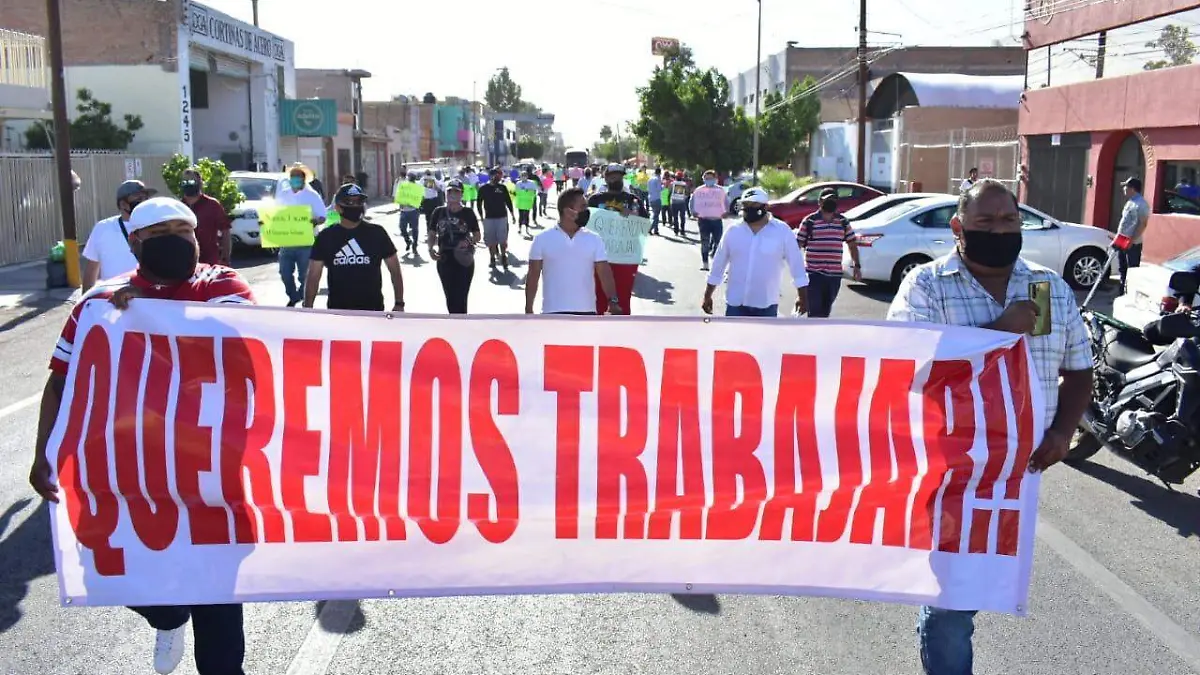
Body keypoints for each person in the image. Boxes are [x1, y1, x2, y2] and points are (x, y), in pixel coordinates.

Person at [30, 196, 254, 675]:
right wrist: (42, 453)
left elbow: (247, 338)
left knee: (216, 602)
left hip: (210, 474)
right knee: (109, 570)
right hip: (129, 474)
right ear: (134, 243)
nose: (176, 241)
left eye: (184, 231)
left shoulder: (221, 285)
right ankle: (168, 615)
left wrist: (145, 312)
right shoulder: (97, 304)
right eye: (160, 234)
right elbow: (60, 382)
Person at [886, 179, 1092, 675]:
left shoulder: (1047, 287)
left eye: (1009, 221)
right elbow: (906, 367)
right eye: (985, 223)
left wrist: (1063, 433)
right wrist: (1001, 331)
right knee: (952, 596)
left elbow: (1079, 369)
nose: (999, 230)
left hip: (1019, 473)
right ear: (958, 228)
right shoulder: (927, 285)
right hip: (949, 467)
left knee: (983, 581)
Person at [702, 186, 808, 317]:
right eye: (746, 205)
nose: (749, 209)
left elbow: (797, 265)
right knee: (734, 338)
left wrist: (802, 296)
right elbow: (718, 264)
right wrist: (708, 295)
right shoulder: (733, 231)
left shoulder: (782, 231)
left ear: (765, 207)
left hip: (766, 304)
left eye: (754, 205)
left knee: (764, 338)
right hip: (736, 304)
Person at [305, 183, 404, 312]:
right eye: (350, 203)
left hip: (373, 311)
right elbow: (313, 276)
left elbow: (395, 270)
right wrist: (307, 309)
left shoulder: (377, 233)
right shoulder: (326, 237)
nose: (356, 206)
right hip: (338, 313)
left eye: (359, 202)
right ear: (338, 208)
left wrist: (399, 303)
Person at [526, 188, 622, 316]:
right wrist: (528, 309)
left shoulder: (594, 239)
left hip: (587, 313)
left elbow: (604, 273)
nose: (587, 211)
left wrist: (613, 301)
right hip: (552, 313)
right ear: (568, 212)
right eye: (582, 207)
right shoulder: (542, 239)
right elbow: (533, 275)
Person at [588, 164, 648, 315]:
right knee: (598, 298)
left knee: (623, 298)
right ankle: (598, 333)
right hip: (599, 258)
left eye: (619, 175)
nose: (616, 178)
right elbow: (584, 225)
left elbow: (644, 226)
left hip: (625, 258)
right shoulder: (594, 200)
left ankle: (622, 333)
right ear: (606, 178)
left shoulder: (633, 200)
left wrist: (629, 215)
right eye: (612, 175)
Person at [796, 188, 862, 317]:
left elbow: (852, 244)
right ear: (819, 202)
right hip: (814, 274)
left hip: (834, 276)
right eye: (827, 200)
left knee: (825, 311)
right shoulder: (810, 221)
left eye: (833, 200)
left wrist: (857, 266)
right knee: (815, 312)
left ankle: (821, 335)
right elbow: (796, 245)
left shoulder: (843, 221)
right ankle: (813, 335)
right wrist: (796, 272)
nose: (830, 202)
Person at [81, 180, 155, 291]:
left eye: (145, 198)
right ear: (123, 204)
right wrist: (86, 302)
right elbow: (92, 269)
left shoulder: (156, 225)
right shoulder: (102, 228)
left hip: (147, 297)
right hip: (112, 299)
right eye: (138, 199)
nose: (143, 202)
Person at [273, 163, 327, 307]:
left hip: (306, 242)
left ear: (304, 178)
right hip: (286, 241)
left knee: (305, 275)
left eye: (298, 176)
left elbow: (323, 216)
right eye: (293, 176)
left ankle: (305, 300)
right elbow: (274, 215)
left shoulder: (312, 196)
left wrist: (315, 221)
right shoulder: (283, 194)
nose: (295, 179)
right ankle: (293, 295)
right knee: (284, 273)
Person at [428, 179, 481, 314]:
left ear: (461, 194)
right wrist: (431, 248)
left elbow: (477, 235)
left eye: (456, 192)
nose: (452, 194)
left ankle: (461, 324)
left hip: (463, 259)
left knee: (461, 296)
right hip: (444, 258)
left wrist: (468, 241)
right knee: (450, 296)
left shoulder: (468, 213)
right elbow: (432, 233)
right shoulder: (438, 212)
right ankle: (454, 322)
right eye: (449, 191)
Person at [178, 168, 231, 265]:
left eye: (191, 181)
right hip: (184, 262)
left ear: (200, 183)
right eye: (184, 182)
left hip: (210, 261)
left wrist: (225, 257)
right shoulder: (178, 207)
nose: (188, 184)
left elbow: (225, 231)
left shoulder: (212, 205)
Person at [477, 167, 517, 271]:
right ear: (491, 176)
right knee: (491, 241)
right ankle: (492, 258)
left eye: (499, 175)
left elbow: (508, 201)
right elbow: (479, 203)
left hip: (502, 217)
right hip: (489, 218)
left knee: (502, 240)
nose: (498, 177)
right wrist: (481, 216)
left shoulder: (502, 188)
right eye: (496, 175)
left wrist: (512, 214)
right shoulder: (483, 188)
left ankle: (503, 256)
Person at [1116, 176, 1151, 295]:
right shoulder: (1130, 202)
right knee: (1122, 268)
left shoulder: (1141, 204)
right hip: (1122, 240)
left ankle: (1130, 294)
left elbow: (1143, 224)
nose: (1124, 189)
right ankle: (1121, 292)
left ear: (1132, 188)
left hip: (1132, 243)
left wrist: (1132, 240)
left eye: (1126, 186)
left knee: (1132, 271)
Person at [690, 170, 728, 270]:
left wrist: (726, 212)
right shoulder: (699, 191)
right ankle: (705, 263)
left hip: (717, 220)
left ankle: (716, 262)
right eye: (706, 178)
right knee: (705, 242)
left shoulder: (720, 191)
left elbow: (726, 202)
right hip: (703, 220)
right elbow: (692, 201)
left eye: (711, 178)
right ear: (703, 179)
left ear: (715, 179)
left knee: (718, 242)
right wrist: (693, 211)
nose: (708, 180)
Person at [394, 172, 423, 254]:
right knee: (402, 228)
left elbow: (420, 198)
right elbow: (398, 196)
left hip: (413, 211)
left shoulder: (417, 187)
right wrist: (400, 204)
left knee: (415, 229)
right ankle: (408, 241)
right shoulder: (403, 186)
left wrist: (414, 203)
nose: (410, 179)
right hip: (404, 211)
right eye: (409, 177)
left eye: (411, 177)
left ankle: (415, 246)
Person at [516, 170, 540, 235]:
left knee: (526, 215)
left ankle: (526, 228)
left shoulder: (531, 183)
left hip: (527, 202)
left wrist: (528, 191)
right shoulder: (518, 183)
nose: (523, 178)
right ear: (520, 177)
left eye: (525, 176)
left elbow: (534, 192)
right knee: (520, 216)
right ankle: (520, 228)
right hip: (520, 202)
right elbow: (517, 192)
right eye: (522, 176)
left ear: (527, 176)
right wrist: (525, 191)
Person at [646, 168, 663, 236]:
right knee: (656, 215)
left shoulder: (650, 179)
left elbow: (648, 188)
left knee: (655, 214)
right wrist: (663, 186)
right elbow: (659, 189)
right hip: (657, 198)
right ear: (659, 173)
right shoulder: (658, 179)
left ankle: (656, 230)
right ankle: (650, 228)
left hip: (651, 198)